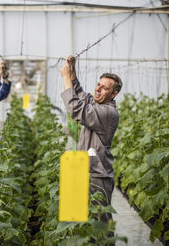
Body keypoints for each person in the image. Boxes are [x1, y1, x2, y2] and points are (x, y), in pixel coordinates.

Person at [59, 56, 122, 225]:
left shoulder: (108, 113)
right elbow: (80, 93)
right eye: (98, 85)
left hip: (98, 177)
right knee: (82, 221)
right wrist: (72, 70)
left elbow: (76, 109)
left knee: (99, 225)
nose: (98, 89)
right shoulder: (97, 104)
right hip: (84, 172)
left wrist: (65, 77)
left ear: (114, 93)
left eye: (105, 88)